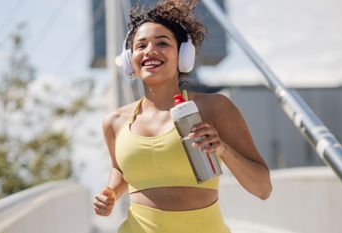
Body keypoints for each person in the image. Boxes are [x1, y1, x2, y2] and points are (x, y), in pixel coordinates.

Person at [93, 1, 272, 232]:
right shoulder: (114, 122)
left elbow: (263, 189)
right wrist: (110, 194)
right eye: (141, 45)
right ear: (129, 59)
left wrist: (222, 149)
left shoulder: (214, 107)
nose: (150, 51)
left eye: (162, 43)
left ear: (183, 55)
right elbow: (120, 170)